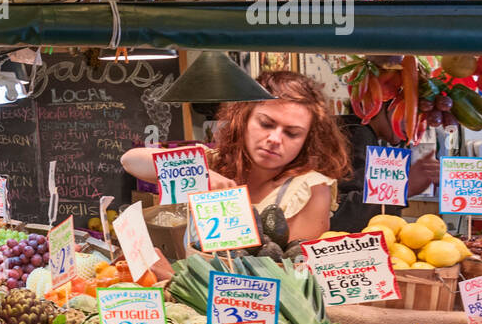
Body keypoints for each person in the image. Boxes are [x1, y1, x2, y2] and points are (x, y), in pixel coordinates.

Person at [122, 71, 351, 244]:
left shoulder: (309, 189)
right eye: (266, 124)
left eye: (292, 133)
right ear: (244, 119)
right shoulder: (215, 162)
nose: (275, 138)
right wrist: (200, 174)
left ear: (307, 140)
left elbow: (295, 271)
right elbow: (131, 160)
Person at [332, 107, 441, 234]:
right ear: (380, 104)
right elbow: (342, 214)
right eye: (412, 114)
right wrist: (403, 189)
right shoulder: (357, 134)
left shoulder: (354, 130)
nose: (415, 126)